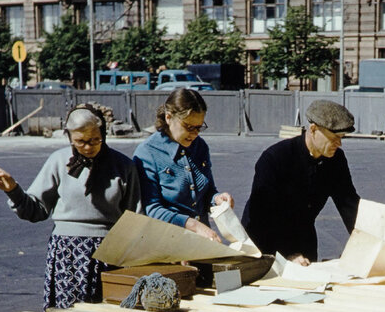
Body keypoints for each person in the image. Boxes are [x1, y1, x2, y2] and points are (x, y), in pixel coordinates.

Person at [0, 104, 143, 310]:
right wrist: (13, 190)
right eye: (80, 142)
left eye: (95, 140)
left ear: (103, 134)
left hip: (110, 254)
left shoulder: (124, 166)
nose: (88, 147)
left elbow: (135, 218)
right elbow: (36, 210)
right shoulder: (58, 161)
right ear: (70, 138)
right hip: (68, 256)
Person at [241, 99, 361, 265]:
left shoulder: (336, 160)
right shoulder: (275, 158)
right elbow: (262, 217)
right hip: (263, 241)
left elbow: (349, 204)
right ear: (313, 129)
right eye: (334, 137)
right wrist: (286, 253)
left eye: (342, 137)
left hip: (304, 239)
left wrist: (368, 241)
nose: (339, 143)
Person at [131, 88, 233, 242]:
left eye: (199, 127)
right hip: (167, 244)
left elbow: (207, 192)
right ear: (168, 117)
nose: (195, 134)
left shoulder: (200, 147)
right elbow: (151, 209)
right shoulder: (147, 152)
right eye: (189, 127)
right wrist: (193, 225)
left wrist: (217, 199)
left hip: (202, 242)